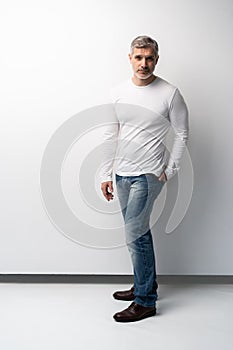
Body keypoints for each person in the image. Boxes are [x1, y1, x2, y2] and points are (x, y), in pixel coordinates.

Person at [100, 35, 189, 322]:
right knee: (137, 235)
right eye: (138, 58)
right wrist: (105, 173)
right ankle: (144, 285)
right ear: (130, 58)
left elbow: (182, 133)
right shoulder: (117, 92)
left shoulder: (169, 93)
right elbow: (109, 134)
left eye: (149, 58)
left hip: (148, 175)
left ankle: (146, 301)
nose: (144, 63)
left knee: (135, 236)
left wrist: (170, 170)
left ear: (156, 59)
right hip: (122, 174)